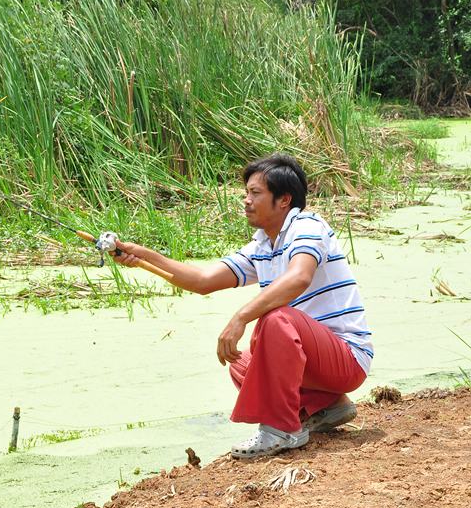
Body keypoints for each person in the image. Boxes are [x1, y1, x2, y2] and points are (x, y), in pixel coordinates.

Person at [113, 154, 372, 458]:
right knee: (241, 363)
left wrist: (241, 317)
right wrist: (143, 257)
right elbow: (203, 280)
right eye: (246, 193)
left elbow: (300, 277)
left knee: (277, 320)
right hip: (316, 360)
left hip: (346, 358)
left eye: (256, 193)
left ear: (284, 200)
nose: (246, 201)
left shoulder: (307, 227)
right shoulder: (263, 244)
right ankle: (328, 406)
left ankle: (281, 429)